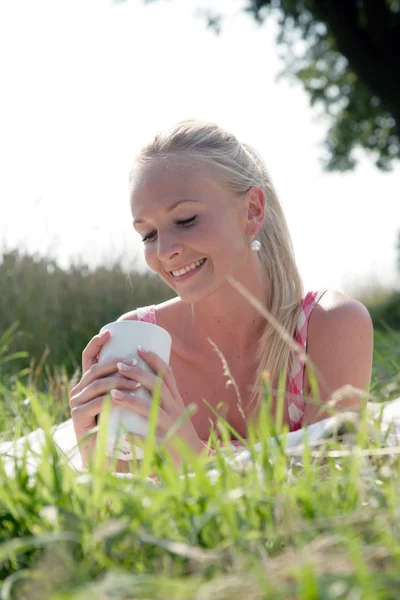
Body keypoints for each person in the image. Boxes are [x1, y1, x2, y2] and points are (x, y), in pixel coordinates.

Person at [69, 119, 374, 470]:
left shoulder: (331, 326)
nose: (165, 250)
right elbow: (119, 502)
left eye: (185, 220)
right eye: (148, 234)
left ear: (252, 210)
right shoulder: (139, 344)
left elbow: (331, 489)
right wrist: (94, 456)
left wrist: (196, 458)